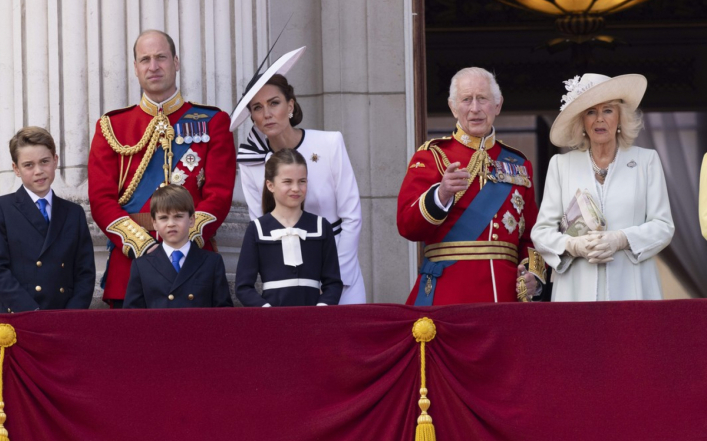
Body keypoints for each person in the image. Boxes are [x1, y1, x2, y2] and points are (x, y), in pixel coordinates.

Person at [87, 30, 235, 308]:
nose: (153, 66)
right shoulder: (111, 127)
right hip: (131, 266)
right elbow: (100, 200)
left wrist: (180, 243)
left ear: (176, 62)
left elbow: (219, 194)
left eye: (161, 58)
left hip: (194, 266)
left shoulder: (213, 121)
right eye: (145, 59)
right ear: (135, 68)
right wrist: (144, 246)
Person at [397, 67, 546, 305]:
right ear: (453, 107)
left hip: (505, 296)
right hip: (449, 294)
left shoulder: (519, 164)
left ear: (497, 105)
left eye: (483, 99)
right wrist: (442, 193)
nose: (475, 108)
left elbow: (533, 237)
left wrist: (533, 275)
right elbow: (407, 226)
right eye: (466, 99)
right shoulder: (432, 157)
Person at [230, 46, 366, 304]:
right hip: (288, 281)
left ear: (290, 105)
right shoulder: (251, 161)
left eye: (274, 103)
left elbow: (352, 216)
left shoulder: (330, 143)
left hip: (338, 268)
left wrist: (337, 278)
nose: (267, 114)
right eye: (257, 108)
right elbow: (260, 222)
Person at [531, 73, 674, 301]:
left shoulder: (646, 161)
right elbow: (541, 233)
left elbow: (663, 226)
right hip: (575, 293)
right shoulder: (561, 165)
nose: (599, 119)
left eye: (607, 110)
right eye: (590, 111)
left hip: (633, 290)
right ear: (582, 122)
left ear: (620, 118)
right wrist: (573, 245)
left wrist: (620, 239)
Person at [0, 126, 96, 312]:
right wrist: (31, 312)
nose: (38, 171)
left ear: (55, 161)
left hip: (63, 319)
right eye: (28, 165)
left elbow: (85, 272)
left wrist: (71, 315)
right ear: (16, 169)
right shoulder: (0, 209)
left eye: (44, 161)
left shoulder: (73, 213)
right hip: (18, 315)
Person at [235, 149, 342, 307]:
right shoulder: (257, 228)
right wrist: (266, 310)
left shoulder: (321, 226)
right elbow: (243, 287)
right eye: (287, 182)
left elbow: (333, 282)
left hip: (314, 320)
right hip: (272, 321)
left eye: (302, 181)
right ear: (270, 185)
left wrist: (322, 308)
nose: (296, 188)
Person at [123, 185, 233, 308]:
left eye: (178, 216)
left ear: (191, 220)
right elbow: (132, 316)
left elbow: (223, 312)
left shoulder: (212, 262)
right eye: (164, 218)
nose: (171, 224)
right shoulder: (142, 265)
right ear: (154, 223)